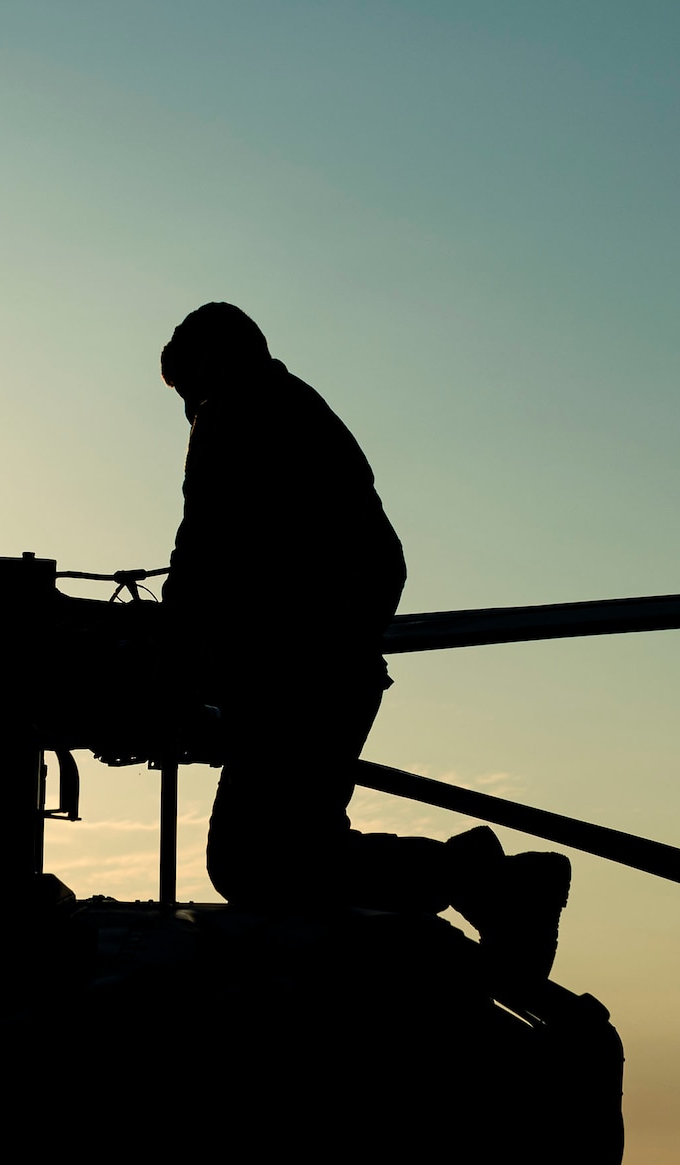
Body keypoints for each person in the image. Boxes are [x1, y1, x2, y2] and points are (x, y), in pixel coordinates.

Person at [159, 302, 569, 984]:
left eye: (189, 393)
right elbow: (381, 560)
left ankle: (486, 880)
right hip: (323, 676)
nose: (188, 411)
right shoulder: (297, 411)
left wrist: (183, 654)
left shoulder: (235, 414)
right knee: (288, 855)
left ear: (211, 366)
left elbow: (201, 554)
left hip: (302, 682)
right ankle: (485, 880)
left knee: (254, 863)